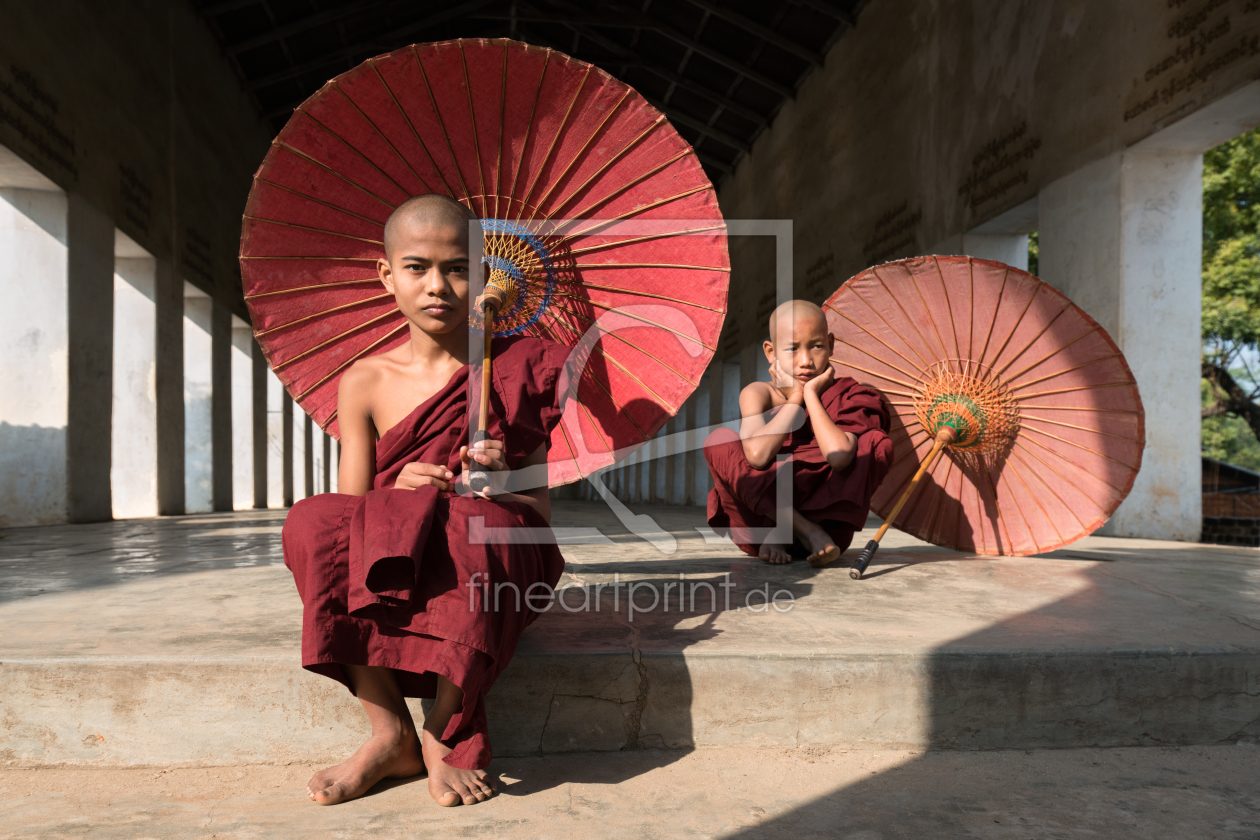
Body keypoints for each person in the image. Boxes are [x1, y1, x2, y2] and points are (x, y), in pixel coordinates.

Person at [282, 194, 570, 807]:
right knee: (312, 522)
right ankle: (388, 732)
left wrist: (503, 482)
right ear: (388, 276)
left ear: (485, 275)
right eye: (417, 267)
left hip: (487, 560)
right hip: (397, 561)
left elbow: (540, 517)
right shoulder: (364, 380)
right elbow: (349, 514)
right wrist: (399, 490)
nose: (438, 286)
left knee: (479, 522)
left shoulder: (516, 370)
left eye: (459, 267)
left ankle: (444, 727)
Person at [703, 300, 893, 566]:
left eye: (816, 346)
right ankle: (804, 529)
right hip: (763, 525)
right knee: (718, 441)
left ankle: (807, 527)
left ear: (831, 344)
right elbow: (758, 456)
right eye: (792, 348)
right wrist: (794, 399)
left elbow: (838, 457)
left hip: (830, 529)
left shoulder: (851, 395)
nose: (806, 361)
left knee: (876, 443)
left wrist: (811, 396)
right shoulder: (760, 393)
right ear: (770, 352)